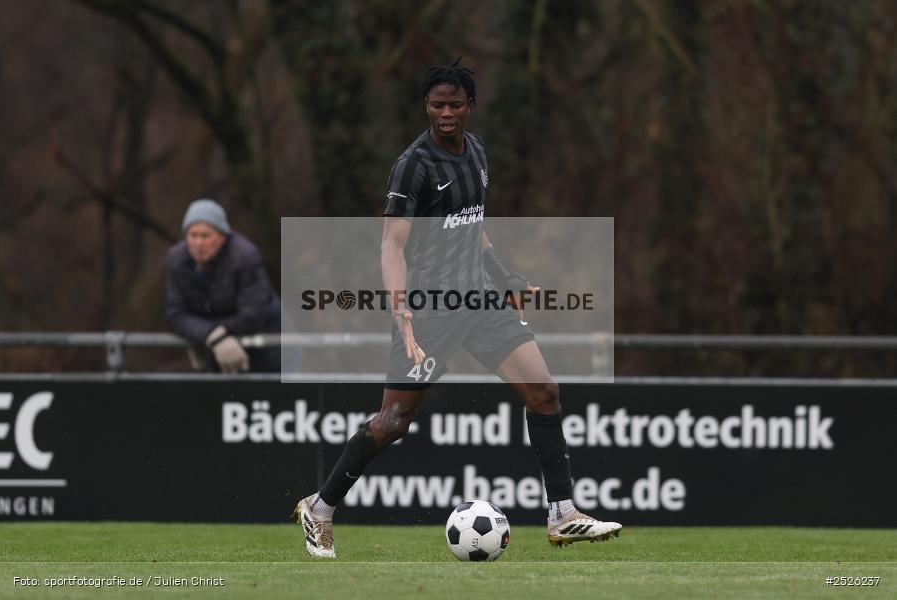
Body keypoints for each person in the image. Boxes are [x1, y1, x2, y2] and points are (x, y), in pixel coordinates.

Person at [294, 60, 621, 558]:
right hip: (429, 309)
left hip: (480, 300)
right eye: (436, 104)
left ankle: (562, 514)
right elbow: (391, 245)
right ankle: (320, 507)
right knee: (394, 422)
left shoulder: (479, 153)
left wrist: (504, 275)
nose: (445, 113)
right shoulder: (413, 165)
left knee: (545, 391)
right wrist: (401, 312)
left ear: (470, 105)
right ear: (426, 106)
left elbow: (472, 227)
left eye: (454, 104)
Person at [166, 199, 281, 373]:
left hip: (267, 340)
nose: (198, 243)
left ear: (222, 236)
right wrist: (210, 335)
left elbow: (254, 313)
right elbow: (175, 314)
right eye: (193, 235)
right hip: (218, 345)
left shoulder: (245, 256)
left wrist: (215, 334)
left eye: (205, 236)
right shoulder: (177, 260)